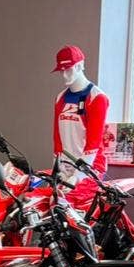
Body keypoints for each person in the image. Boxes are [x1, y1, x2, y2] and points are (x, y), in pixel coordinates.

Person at [52, 43, 110, 208]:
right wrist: (58, 168)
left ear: (79, 66)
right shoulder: (60, 98)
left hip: (91, 167)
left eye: (68, 70)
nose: (64, 75)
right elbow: (57, 137)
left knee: (75, 209)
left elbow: (93, 143)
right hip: (66, 166)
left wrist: (78, 176)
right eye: (62, 71)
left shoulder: (97, 98)